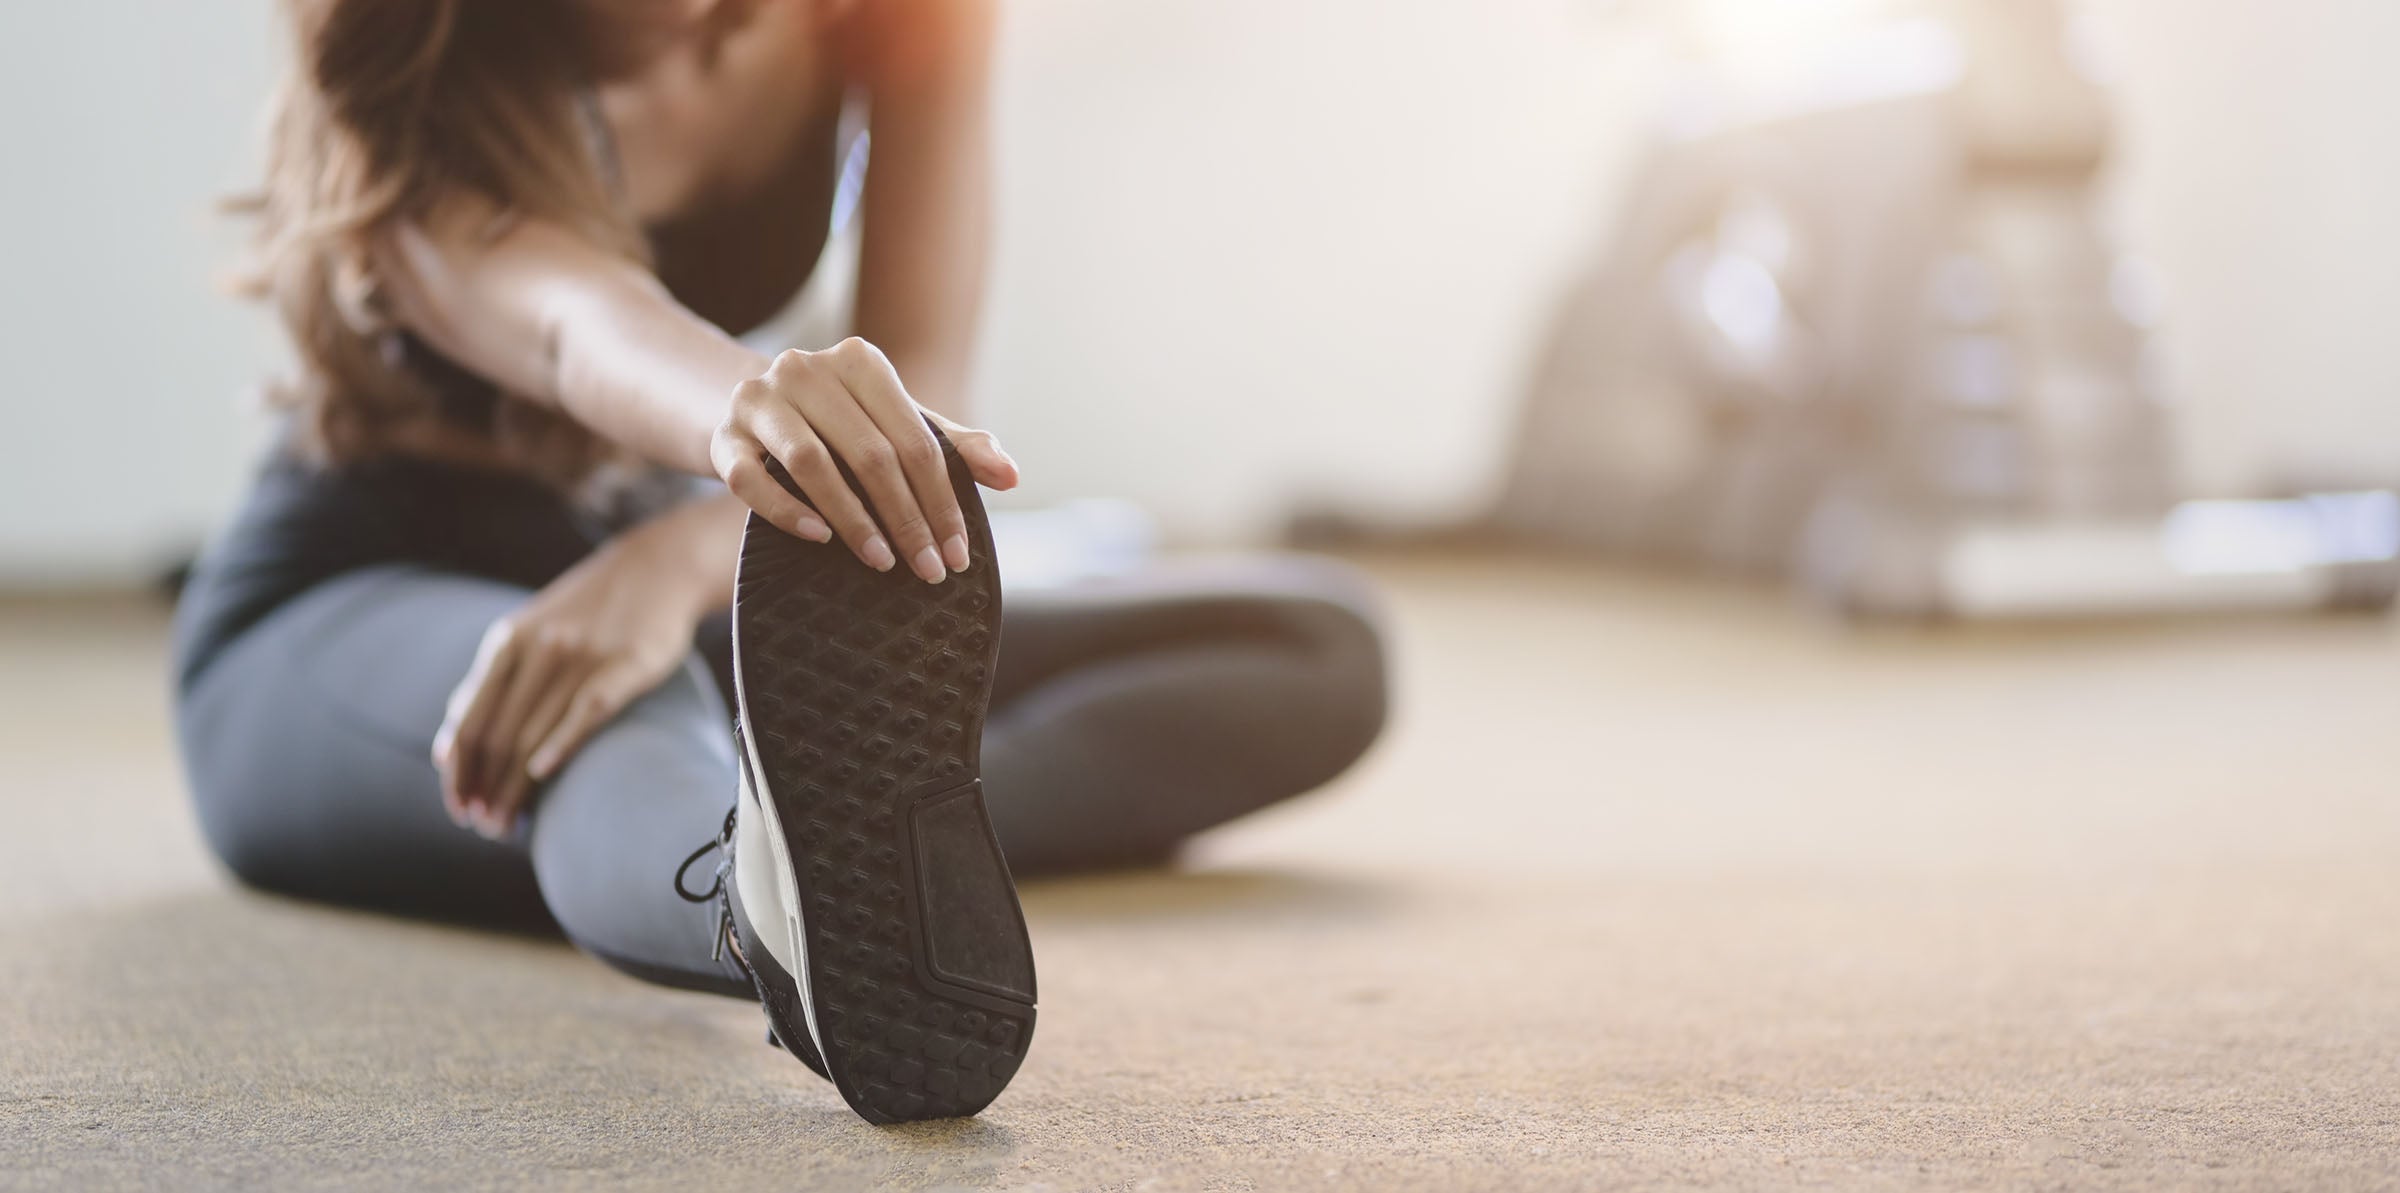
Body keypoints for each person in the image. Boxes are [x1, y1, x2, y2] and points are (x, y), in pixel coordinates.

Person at [170, 0, 1387, 1123]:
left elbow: (925, 369)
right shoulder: (412, 52)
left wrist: (667, 567)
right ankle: (763, 899)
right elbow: (577, 329)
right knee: (611, 702)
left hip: (660, 560)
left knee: (1315, 645)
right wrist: (746, 411)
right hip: (351, 595)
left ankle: (854, 828)